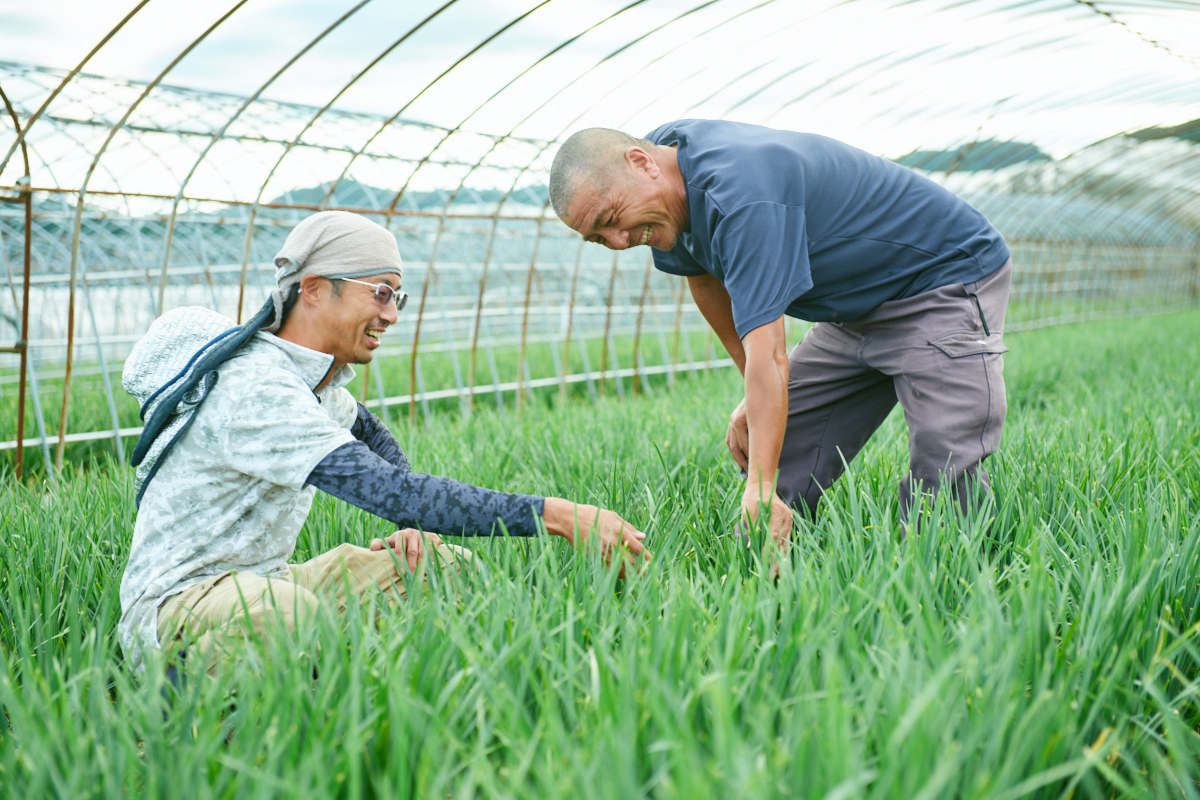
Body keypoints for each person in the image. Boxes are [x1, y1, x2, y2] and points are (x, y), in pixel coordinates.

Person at [118, 211, 648, 672]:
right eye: (380, 293)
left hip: (266, 580)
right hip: (178, 605)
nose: (392, 314)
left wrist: (413, 529)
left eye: (397, 296)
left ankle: (404, 692)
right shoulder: (256, 388)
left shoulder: (314, 383)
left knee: (438, 569)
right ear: (315, 288)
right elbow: (383, 487)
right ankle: (168, 720)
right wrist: (555, 514)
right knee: (291, 617)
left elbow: (371, 436)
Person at [549, 120, 1012, 544]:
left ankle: (941, 570)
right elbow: (704, 276)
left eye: (610, 219)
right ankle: (767, 565)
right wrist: (754, 403)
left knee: (946, 459)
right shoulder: (667, 177)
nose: (618, 242)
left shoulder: (743, 192)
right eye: (596, 238)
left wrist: (762, 485)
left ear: (640, 163)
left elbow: (769, 353)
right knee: (776, 443)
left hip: (939, 281)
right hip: (853, 310)